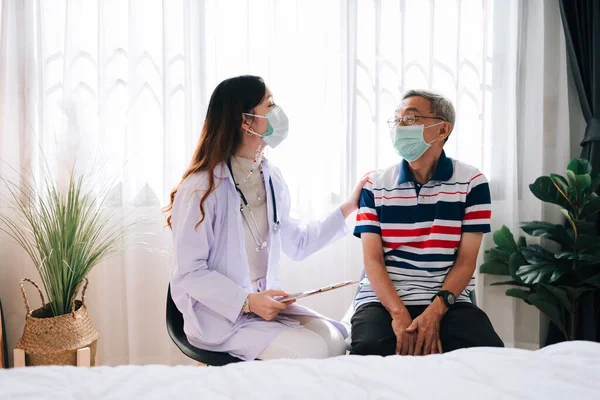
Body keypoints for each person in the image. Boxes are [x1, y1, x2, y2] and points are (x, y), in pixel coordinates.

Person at [165, 75, 367, 361]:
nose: (278, 114)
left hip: (264, 305)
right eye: (269, 105)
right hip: (220, 314)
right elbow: (189, 273)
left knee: (334, 341)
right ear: (245, 121)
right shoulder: (200, 188)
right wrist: (247, 302)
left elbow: (298, 242)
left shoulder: (270, 177)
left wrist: (349, 206)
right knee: (313, 354)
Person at [350, 89, 504, 356]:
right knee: (370, 349)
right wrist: (399, 314)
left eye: (410, 119)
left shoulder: (472, 182)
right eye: (396, 120)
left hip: (445, 299)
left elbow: (466, 262)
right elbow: (372, 261)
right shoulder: (375, 185)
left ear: (442, 129)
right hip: (384, 300)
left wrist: (434, 313)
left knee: (487, 353)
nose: (399, 127)